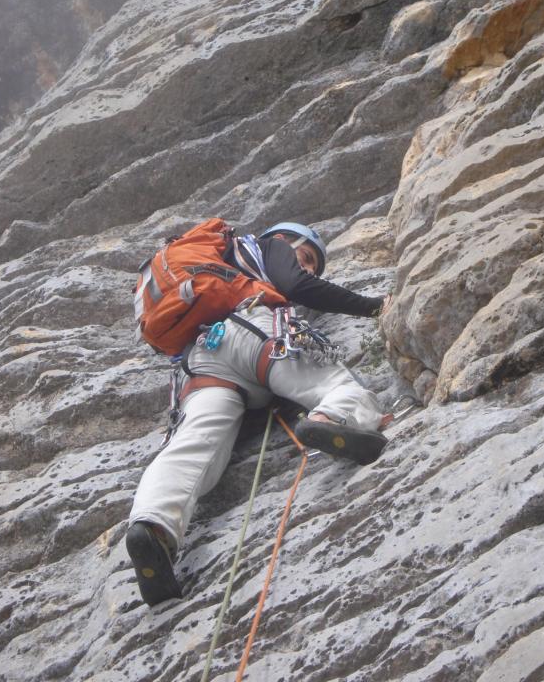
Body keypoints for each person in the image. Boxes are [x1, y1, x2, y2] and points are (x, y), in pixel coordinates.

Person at [126, 222, 389, 606]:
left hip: (202, 360)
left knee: (192, 441)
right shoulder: (269, 246)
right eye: (307, 257)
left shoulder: (206, 267)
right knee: (333, 385)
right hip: (253, 327)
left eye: (313, 264)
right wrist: (376, 306)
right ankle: (331, 419)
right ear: (286, 239)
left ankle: (153, 525)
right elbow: (297, 287)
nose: (309, 268)